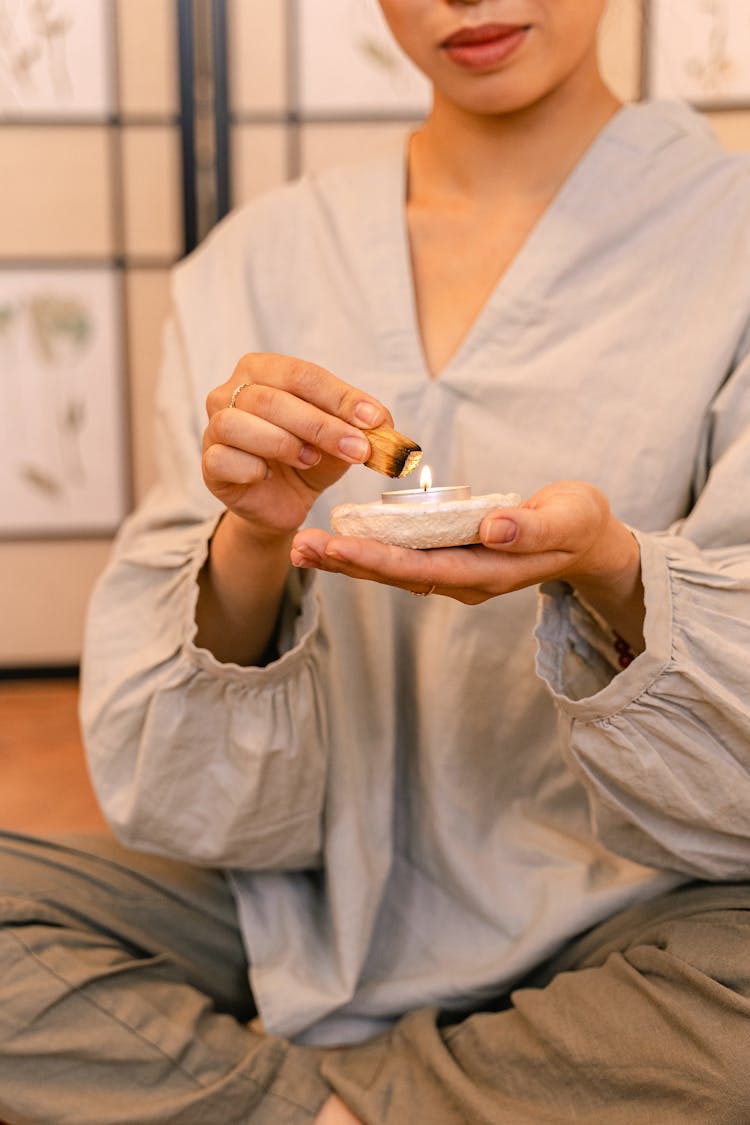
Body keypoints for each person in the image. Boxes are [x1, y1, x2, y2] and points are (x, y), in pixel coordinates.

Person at [2, 1, 750, 1121]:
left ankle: (284, 1104)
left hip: (631, 899)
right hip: (294, 889)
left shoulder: (731, 233)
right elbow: (178, 794)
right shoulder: (252, 259)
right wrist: (253, 530)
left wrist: (610, 567)